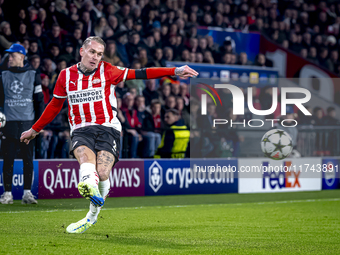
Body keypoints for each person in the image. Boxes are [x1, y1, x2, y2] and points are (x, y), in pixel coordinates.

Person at [20, 36, 198, 233]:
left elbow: (142, 73)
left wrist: (175, 71)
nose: (95, 57)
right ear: (82, 51)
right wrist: (34, 129)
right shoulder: (65, 76)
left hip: (108, 128)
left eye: (99, 54)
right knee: (85, 159)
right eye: (92, 52)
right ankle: (88, 182)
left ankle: (91, 215)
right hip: (81, 128)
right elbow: (54, 105)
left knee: (103, 173)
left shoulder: (109, 70)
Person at [0, 43, 44, 204]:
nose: (9, 58)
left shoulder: (33, 74)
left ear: (22, 56)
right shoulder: (3, 75)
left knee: (27, 159)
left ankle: (27, 193)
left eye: (12, 55)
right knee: (8, 159)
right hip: (9, 124)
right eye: (9, 55)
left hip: (28, 125)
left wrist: (39, 125)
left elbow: (40, 101)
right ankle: (7, 194)